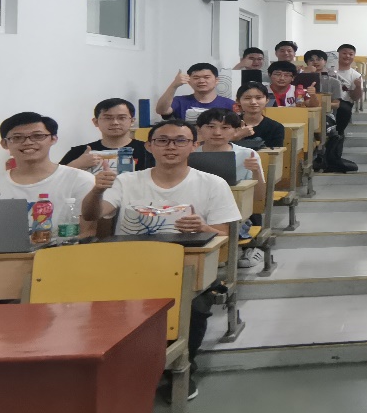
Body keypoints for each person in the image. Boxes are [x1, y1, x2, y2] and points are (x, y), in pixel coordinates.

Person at [81, 119, 243, 380]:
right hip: (128, 267)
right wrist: (97, 191)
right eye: (162, 140)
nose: (171, 147)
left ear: (194, 146)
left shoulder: (213, 183)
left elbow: (223, 234)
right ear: (149, 146)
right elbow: (93, 215)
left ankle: (180, 371)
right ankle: (116, 370)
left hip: (187, 268)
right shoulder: (127, 181)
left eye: (180, 141)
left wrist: (203, 227)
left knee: (192, 306)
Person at [0, 112, 107, 238]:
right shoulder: (0, 183)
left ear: (53, 139)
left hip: (64, 250)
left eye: (38, 136)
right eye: (17, 137)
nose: (28, 142)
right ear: (4, 144)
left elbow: (87, 231)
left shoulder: (81, 180)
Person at [195, 108, 268, 268]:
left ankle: (230, 251)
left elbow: (259, 198)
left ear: (236, 130)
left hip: (235, 214)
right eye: (211, 127)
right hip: (198, 212)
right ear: (199, 129)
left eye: (225, 127)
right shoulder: (189, 154)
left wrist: (256, 172)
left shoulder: (247, 154)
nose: (217, 132)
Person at [60, 98, 153, 172]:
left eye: (121, 118)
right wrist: (77, 164)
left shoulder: (149, 150)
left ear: (132, 121)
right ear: (95, 122)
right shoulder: (79, 152)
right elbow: (55, 180)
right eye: (108, 118)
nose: (115, 122)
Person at [155, 63, 236, 122]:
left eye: (206, 77)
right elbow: (161, 111)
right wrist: (174, 85)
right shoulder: (179, 101)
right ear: (189, 81)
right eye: (196, 78)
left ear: (216, 80)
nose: (201, 81)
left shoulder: (230, 104)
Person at [232, 82, 285, 149]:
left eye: (258, 98)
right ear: (238, 101)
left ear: (267, 100)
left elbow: (276, 153)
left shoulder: (275, 127)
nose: (253, 102)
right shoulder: (229, 124)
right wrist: (237, 136)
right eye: (247, 98)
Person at [332, 44, 365, 135]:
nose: (347, 56)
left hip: (344, 103)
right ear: (337, 54)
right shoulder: (328, 71)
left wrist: (358, 87)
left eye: (351, 54)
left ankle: (338, 134)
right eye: (344, 53)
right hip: (327, 100)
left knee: (344, 110)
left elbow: (355, 98)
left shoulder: (356, 75)